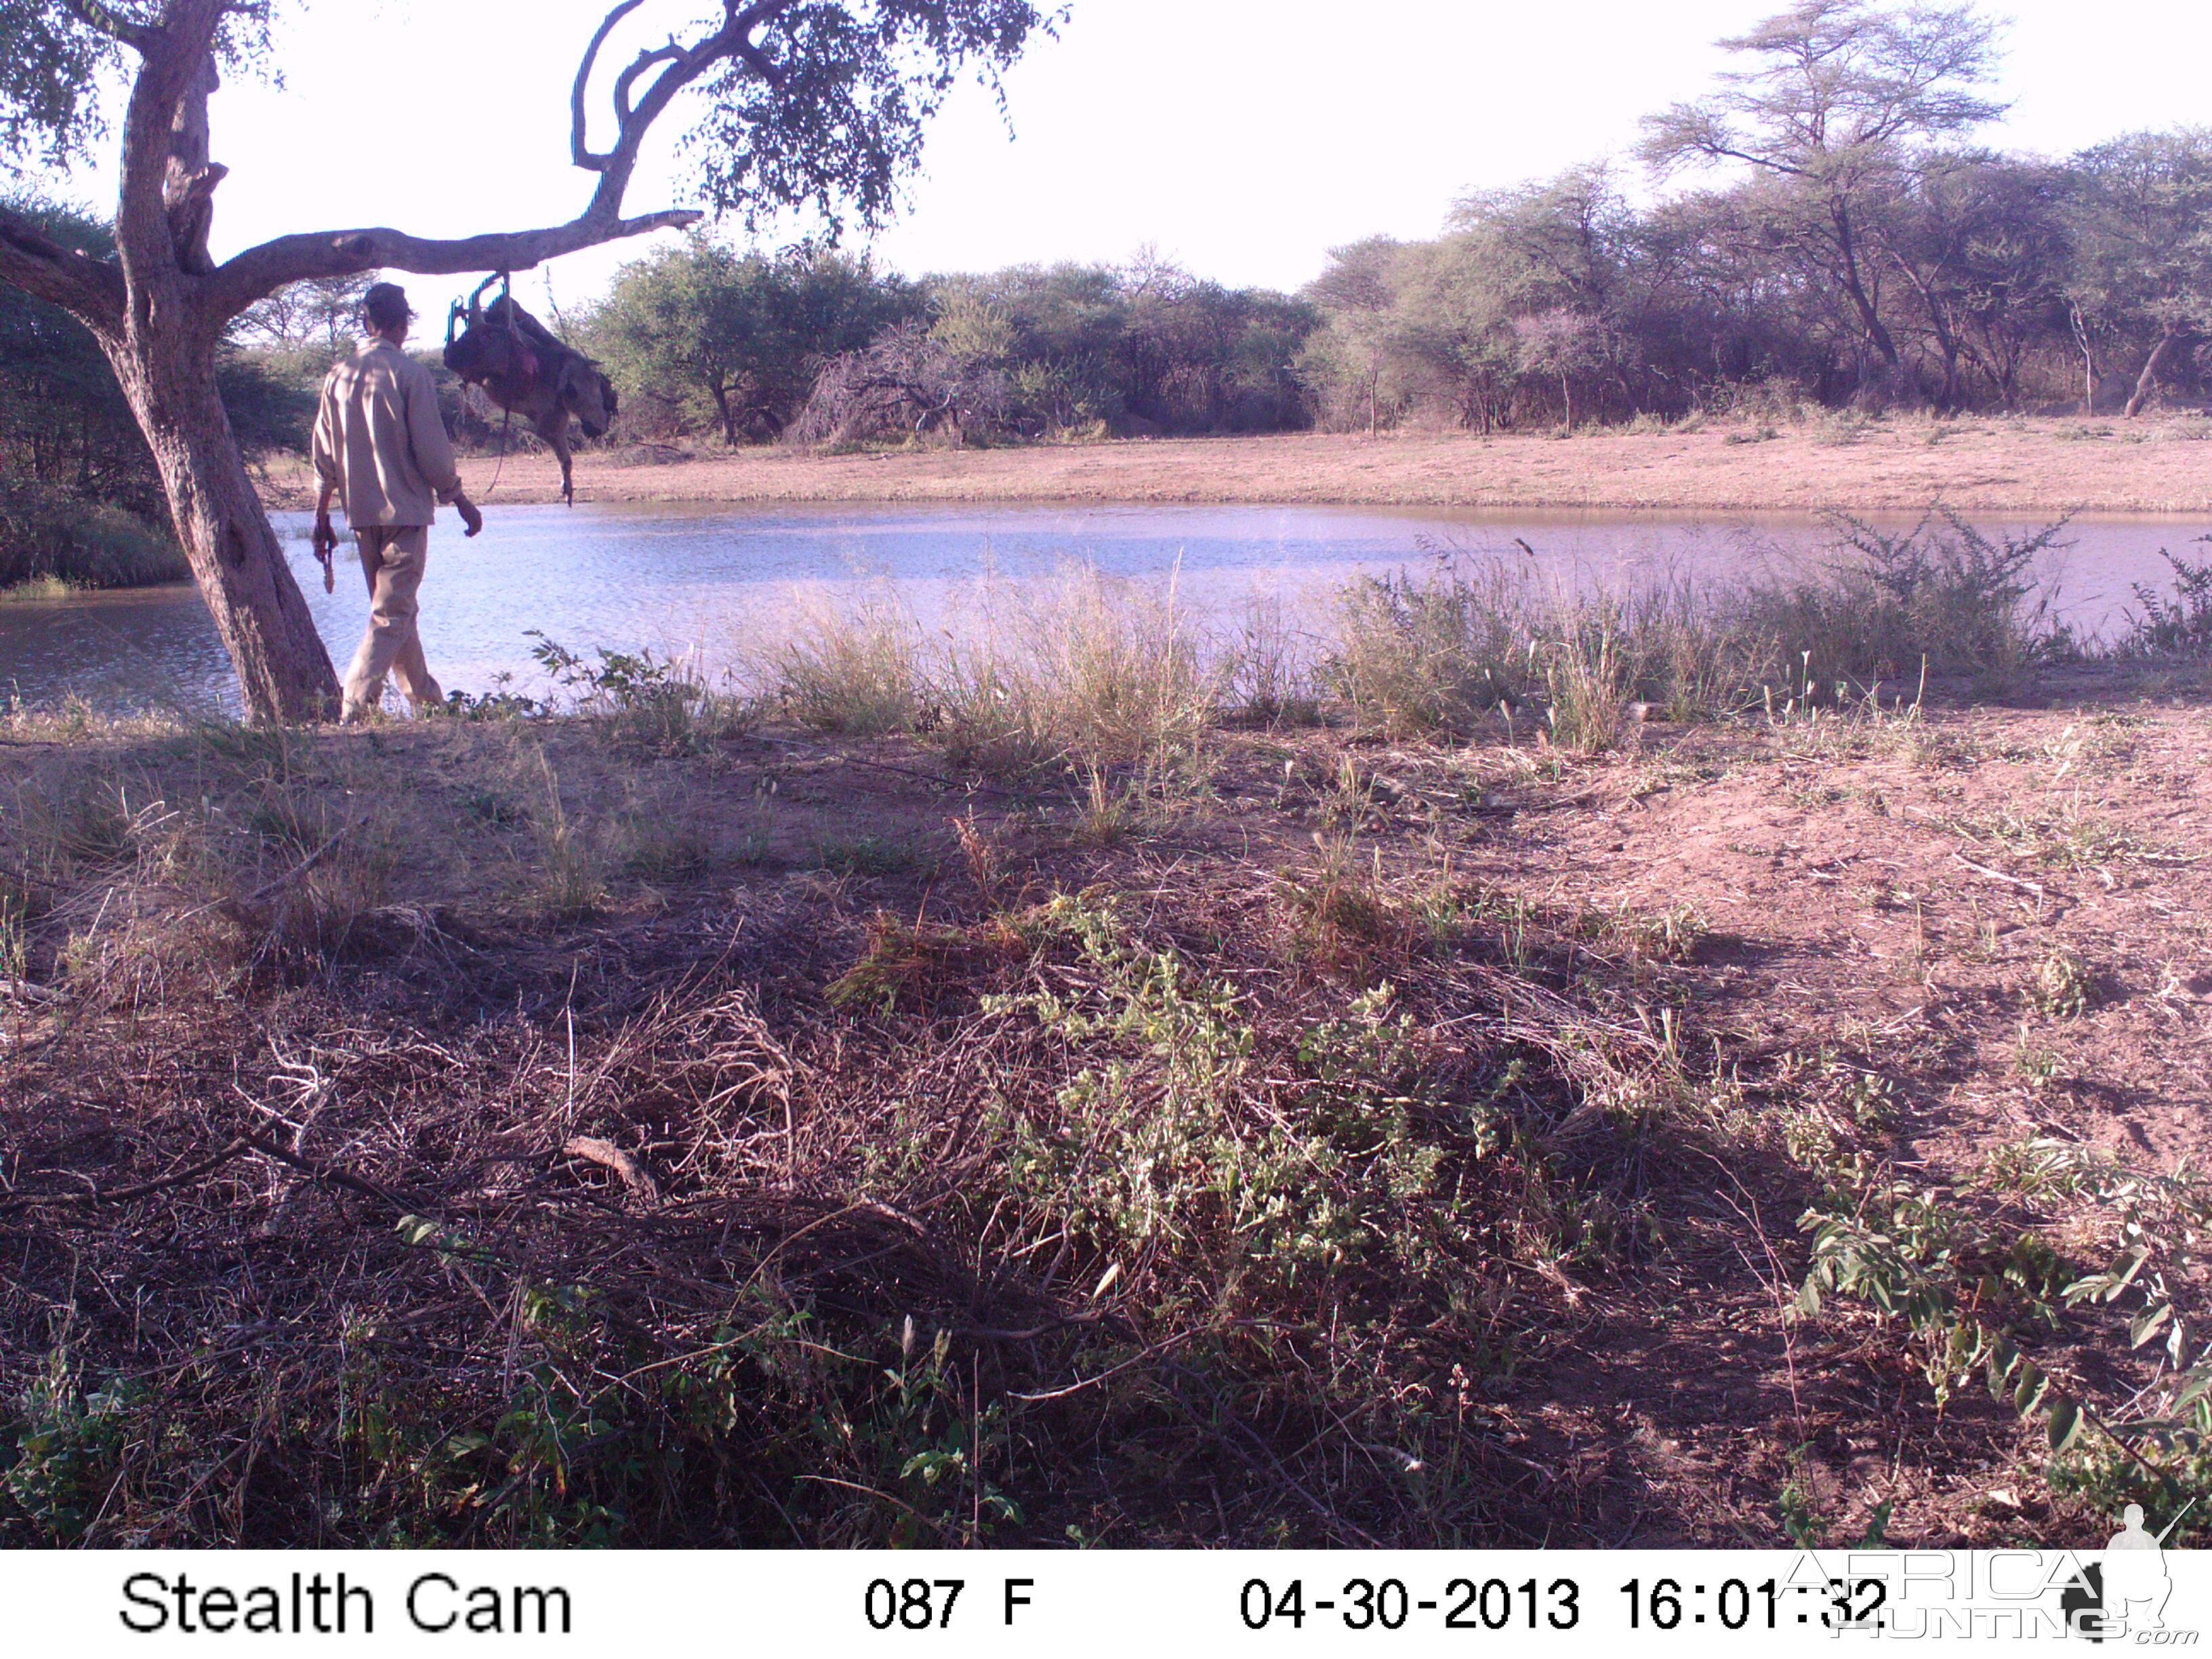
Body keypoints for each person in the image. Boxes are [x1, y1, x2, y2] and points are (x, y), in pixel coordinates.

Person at [310, 281, 483, 723]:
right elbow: (432, 452)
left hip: (361, 516)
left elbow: (324, 456)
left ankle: (430, 707)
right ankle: (353, 707)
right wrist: (459, 499)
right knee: (391, 615)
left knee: (396, 613)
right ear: (403, 324)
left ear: (367, 322)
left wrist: (320, 518)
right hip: (405, 514)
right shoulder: (410, 375)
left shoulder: (339, 376)